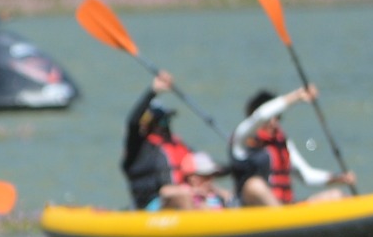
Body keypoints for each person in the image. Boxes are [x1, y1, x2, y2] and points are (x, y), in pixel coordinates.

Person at [227, 86, 355, 207]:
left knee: (337, 195)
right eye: (271, 118)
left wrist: (338, 178)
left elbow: (306, 175)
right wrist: (297, 96)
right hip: (253, 211)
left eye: (277, 118)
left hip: (286, 208)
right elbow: (260, 116)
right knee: (254, 186)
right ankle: (281, 218)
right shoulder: (241, 140)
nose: (274, 122)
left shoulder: (283, 143)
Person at [122, 74, 223, 211]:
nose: (166, 125)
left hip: (187, 196)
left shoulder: (177, 145)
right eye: (162, 121)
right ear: (149, 124)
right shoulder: (139, 147)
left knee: (220, 194)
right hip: (152, 205)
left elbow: (207, 167)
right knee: (183, 195)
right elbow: (132, 122)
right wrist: (153, 90)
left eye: (168, 120)